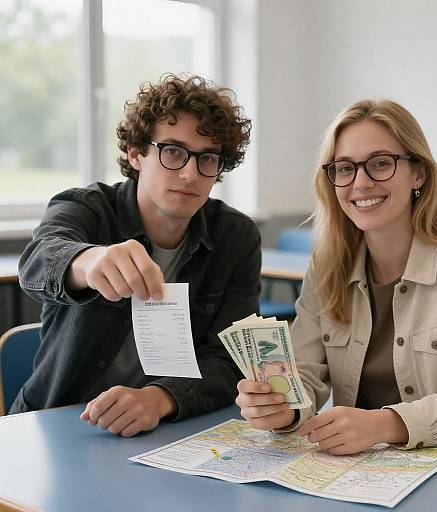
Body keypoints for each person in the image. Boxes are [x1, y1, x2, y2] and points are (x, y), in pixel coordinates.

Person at [236, 98, 437, 453]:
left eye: (381, 164)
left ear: (419, 173)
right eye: (345, 168)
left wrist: (383, 424)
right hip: (367, 468)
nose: (361, 183)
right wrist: (281, 407)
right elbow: (304, 375)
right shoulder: (327, 263)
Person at [12, 74, 261, 437]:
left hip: (167, 427)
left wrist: (158, 399)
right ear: (136, 153)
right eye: (173, 152)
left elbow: (231, 359)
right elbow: (38, 259)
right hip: (63, 423)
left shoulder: (235, 237)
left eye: (208, 158)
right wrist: (88, 261)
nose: (190, 173)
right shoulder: (87, 208)